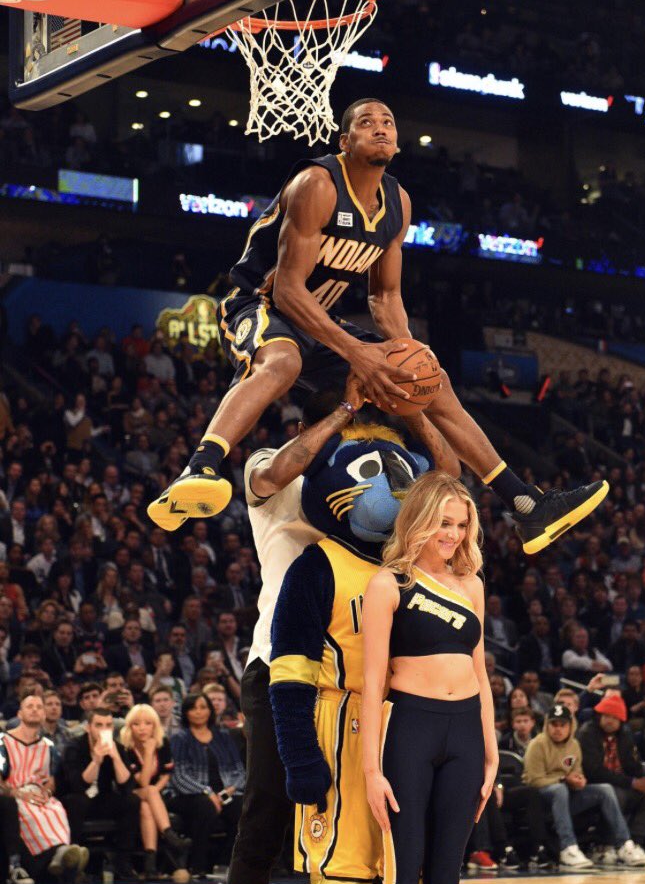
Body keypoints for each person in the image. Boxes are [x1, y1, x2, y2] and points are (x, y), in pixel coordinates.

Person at [148, 99, 607, 555]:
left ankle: (525, 504)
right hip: (260, 304)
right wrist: (358, 352)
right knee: (284, 362)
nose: (381, 128)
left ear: (398, 141)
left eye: (388, 121)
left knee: (433, 381)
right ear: (345, 142)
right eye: (367, 123)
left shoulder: (398, 203)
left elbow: (384, 297)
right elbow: (287, 290)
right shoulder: (317, 184)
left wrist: (408, 354)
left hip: (319, 322)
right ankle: (200, 467)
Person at [214, 376, 456, 884]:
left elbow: (447, 480)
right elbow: (281, 469)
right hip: (284, 673)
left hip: (369, 686)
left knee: (378, 829)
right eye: (352, 429)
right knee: (263, 824)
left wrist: (413, 412)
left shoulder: (392, 493)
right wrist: (345, 409)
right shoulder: (278, 471)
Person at [361, 472, 497, 884]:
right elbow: (373, 682)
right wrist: (371, 771)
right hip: (410, 729)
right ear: (419, 518)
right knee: (404, 871)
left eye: (461, 525)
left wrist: (491, 754)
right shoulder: (388, 584)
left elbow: (480, 673)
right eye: (444, 522)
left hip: (465, 734)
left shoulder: (472, 585)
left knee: (445, 876)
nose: (453, 534)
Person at [523, 702, 645, 868]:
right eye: (554, 724)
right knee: (560, 789)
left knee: (605, 789)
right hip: (543, 800)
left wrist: (580, 781)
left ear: (570, 726)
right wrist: (563, 779)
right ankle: (568, 848)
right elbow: (533, 780)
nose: (558, 729)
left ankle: (624, 845)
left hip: (567, 796)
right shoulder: (537, 744)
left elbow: (577, 772)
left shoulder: (574, 745)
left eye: (563, 725)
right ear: (547, 725)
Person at [0, 693, 89, 884]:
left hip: (38, 793)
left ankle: (62, 856)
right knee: (29, 813)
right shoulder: (3, 741)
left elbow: (51, 779)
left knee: (56, 810)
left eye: (39, 707)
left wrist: (47, 792)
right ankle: (58, 859)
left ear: (43, 714)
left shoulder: (48, 746)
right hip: (15, 793)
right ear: (19, 713)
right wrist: (17, 793)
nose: (35, 710)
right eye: (30, 706)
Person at [577, 694, 645, 863]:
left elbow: (632, 764)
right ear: (599, 716)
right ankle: (604, 845)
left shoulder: (625, 734)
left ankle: (634, 843)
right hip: (592, 786)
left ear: (621, 721)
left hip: (620, 783)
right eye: (607, 716)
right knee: (614, 793)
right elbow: (594, 772)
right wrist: (633, 783)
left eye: (615, 718)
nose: (610, 721)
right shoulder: (587, 733)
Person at [169, 693, 245, 878]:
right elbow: (180, 776)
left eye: (203, 707)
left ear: (210, 711)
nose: (199, 712)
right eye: (193, 708)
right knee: (205, 807)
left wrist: (228, 791)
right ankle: (198, 865)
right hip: (190, 794)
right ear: (186, 712)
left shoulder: (223, 737)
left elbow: (239, 771)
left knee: (243, 809)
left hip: (224, 793)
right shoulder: (180, 738)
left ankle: (224, 863)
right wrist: (207, 792)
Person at [61, 706, 140, 879]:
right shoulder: (74, 747)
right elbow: (78, 785)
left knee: (132, 801)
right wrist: (96, 761)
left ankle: (122, 862)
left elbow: (126, 785)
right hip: (74, 799)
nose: (104, 730)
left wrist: (116, 758)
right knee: (77, 801)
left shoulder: (117, 747)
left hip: (101, 799)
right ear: (88, 727)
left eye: (108, 725)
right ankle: (74, 862)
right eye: (99, 725)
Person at [119, 703, 190, 879]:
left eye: (147, 723)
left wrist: (154, 793)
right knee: (148, 792)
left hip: (153, 796)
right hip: (130, 794)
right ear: (129, 727)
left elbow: (166, 775)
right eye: (136, 724)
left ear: (154, 725)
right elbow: (142, 782)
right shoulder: (125, 749)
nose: (142, 728)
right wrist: (149, 752)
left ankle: (150, 865)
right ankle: (171, 837)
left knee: (146, 807)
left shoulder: (162, 743)